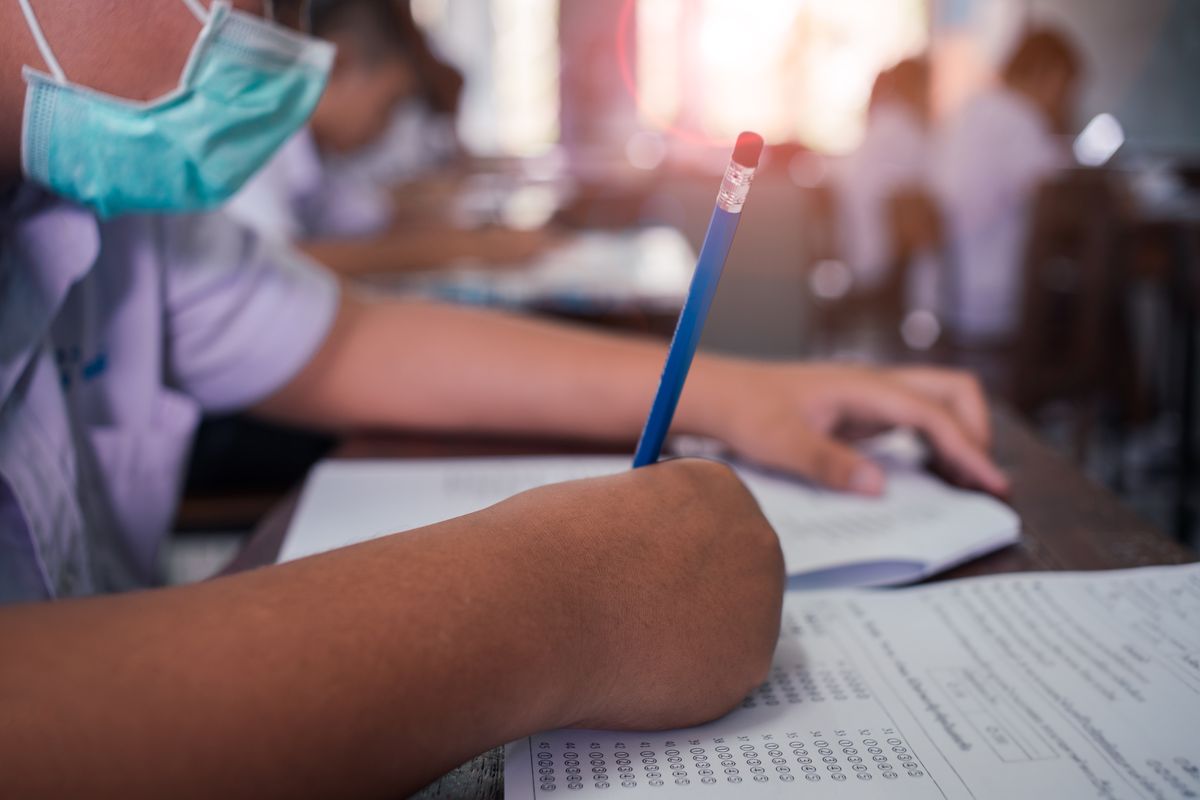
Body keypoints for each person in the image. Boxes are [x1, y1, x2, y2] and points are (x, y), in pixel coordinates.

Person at [0, 0, 1007, 795]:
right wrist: (565, 598)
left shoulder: (107, 205)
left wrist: (738, 388)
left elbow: (349, 336)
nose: (263, 24)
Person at [226, 0, 552, 274]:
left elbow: (372, 220)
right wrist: (470, 248)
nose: (387, 126)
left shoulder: (321, 159)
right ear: (340, 64)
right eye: (388, 105)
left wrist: (486, 237)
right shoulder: (252, 139)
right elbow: (276, 266)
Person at [933, 27, 1082, 344]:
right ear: (1050, 75)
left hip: (946, 294)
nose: (1064, 102)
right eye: (1066, 89)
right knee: (1103, 293)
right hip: (991, 302)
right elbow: (1061, 191)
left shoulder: (973, 109)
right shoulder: (1019, 118)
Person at [833, 57, 932, 294]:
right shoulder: (902, 128)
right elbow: (923, 194)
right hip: (880, 263)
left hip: (859, 255)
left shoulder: (885, 122)